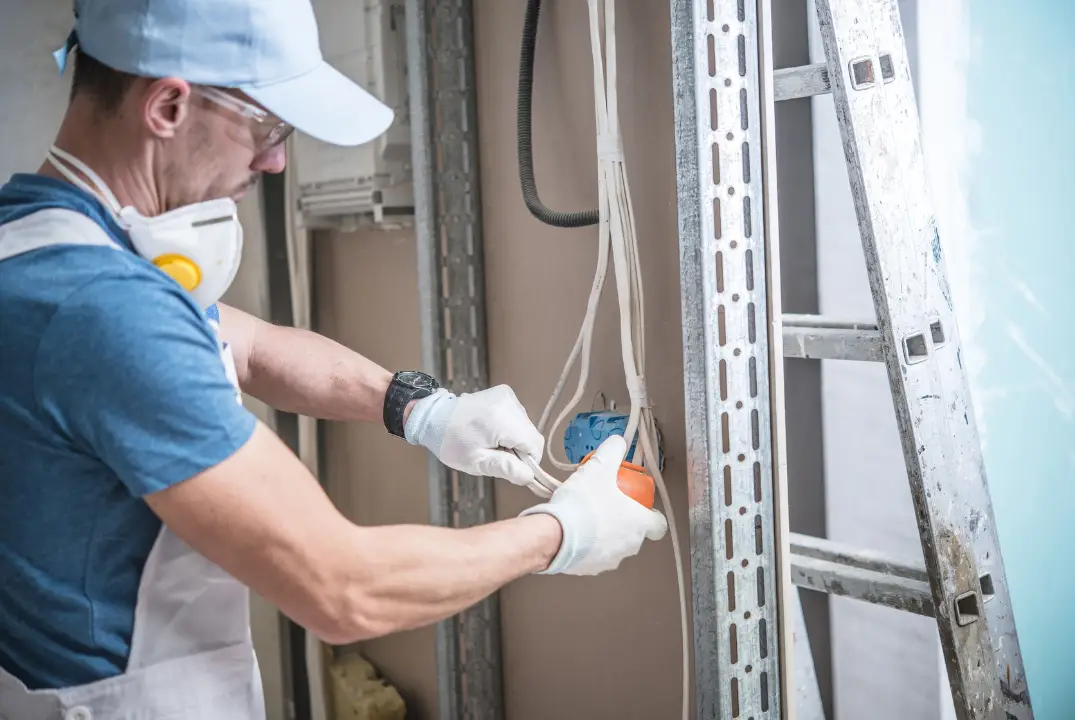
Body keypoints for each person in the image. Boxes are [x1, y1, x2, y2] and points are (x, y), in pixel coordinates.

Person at [0, 0, 669, 718]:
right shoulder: (105, 310)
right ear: (167, 105)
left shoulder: (36, 245)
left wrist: (420, 407)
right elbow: (342, 589)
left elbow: (245, 343)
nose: (276, 159)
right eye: (266, 128)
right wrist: (563, 532)